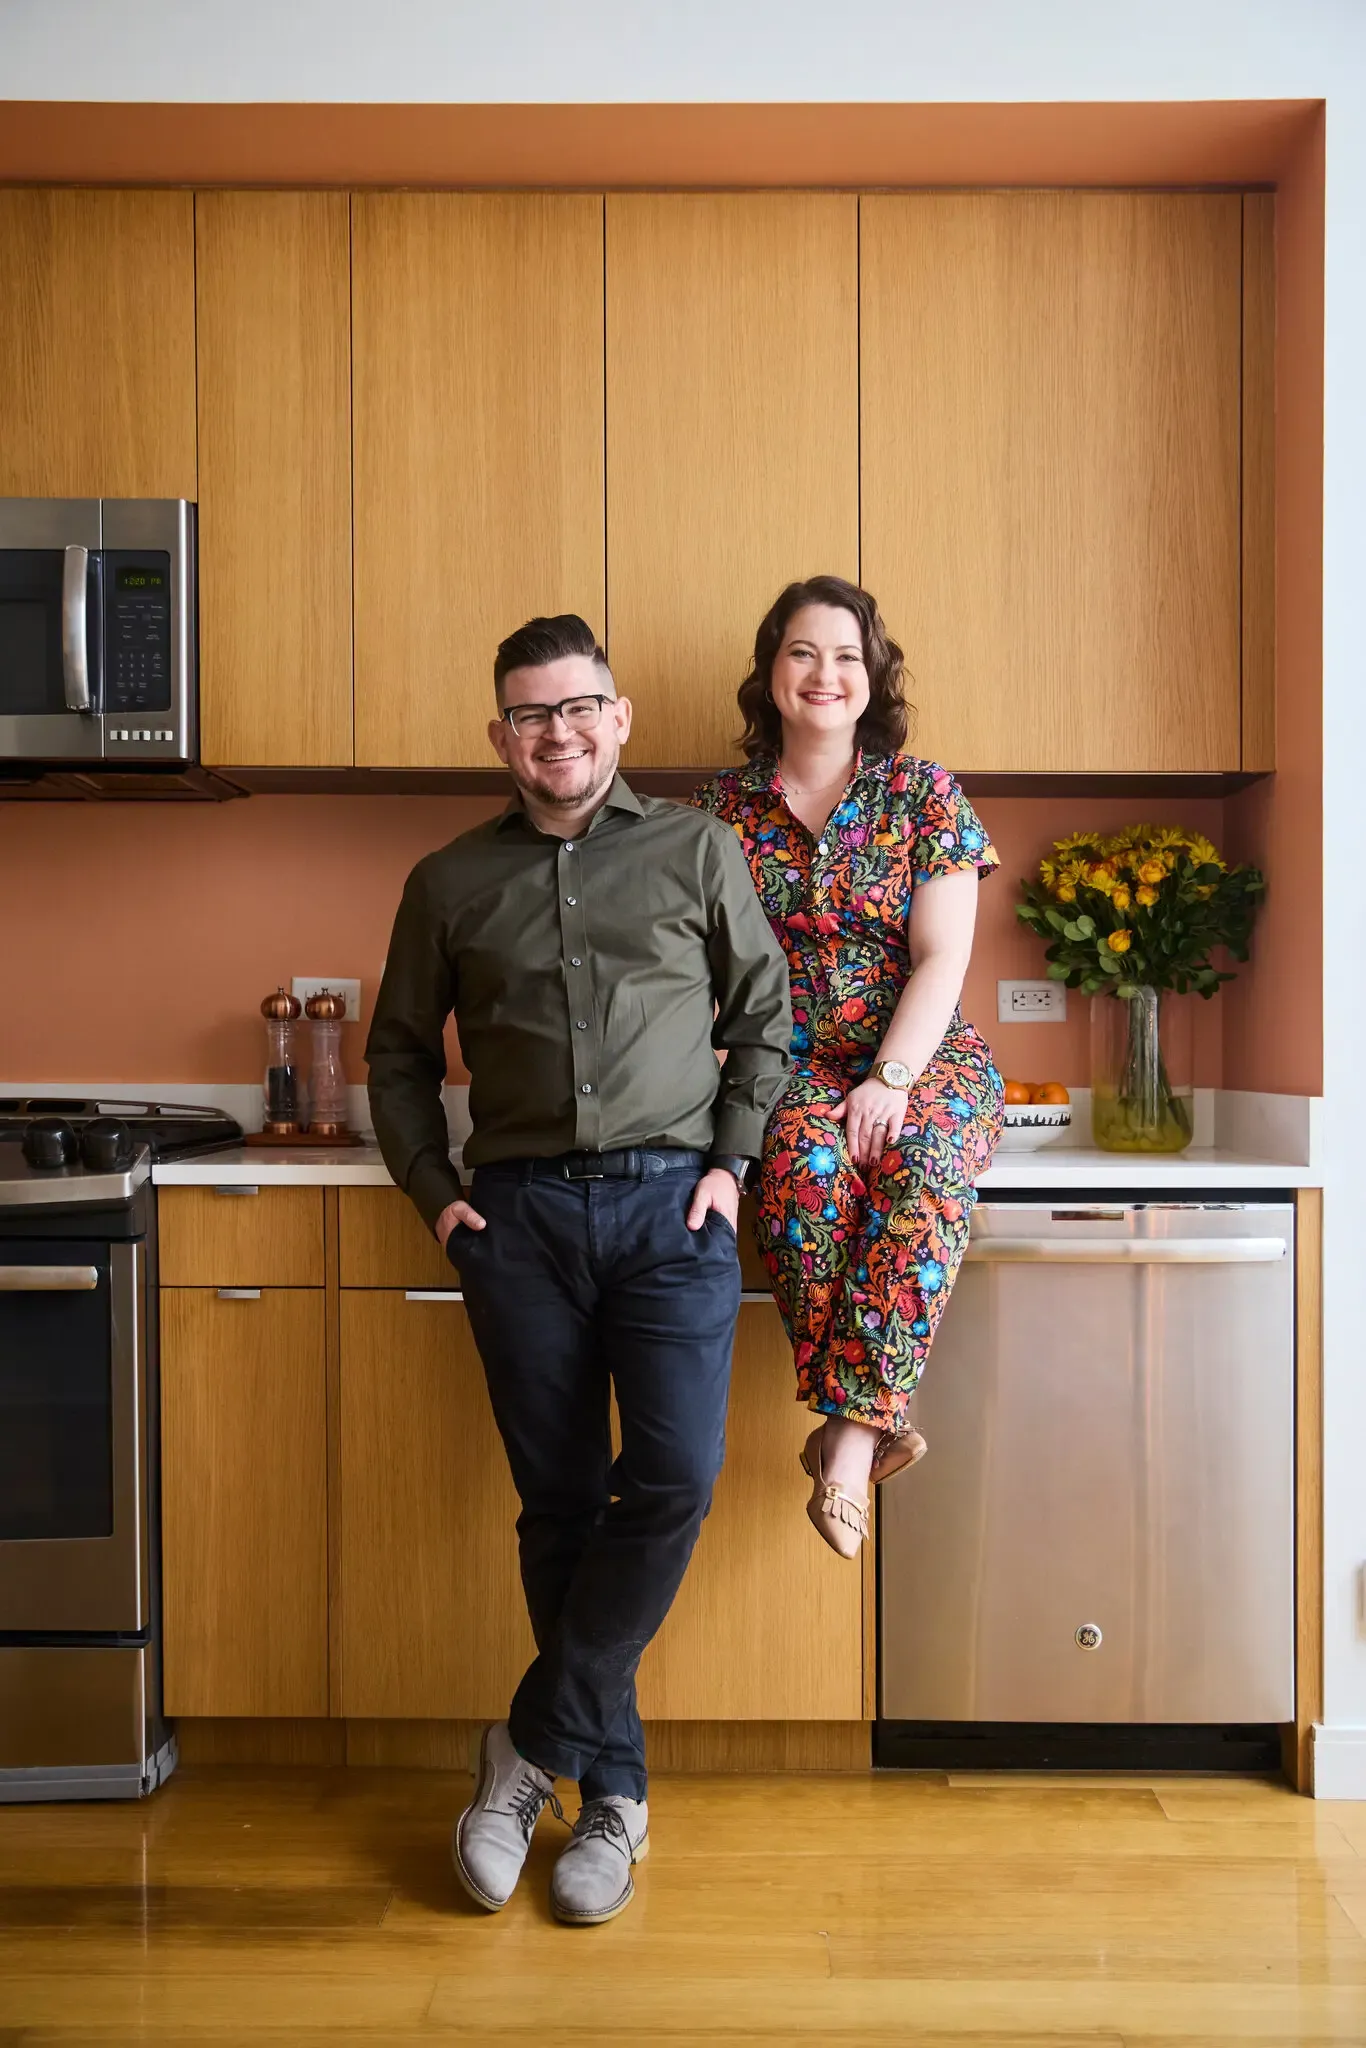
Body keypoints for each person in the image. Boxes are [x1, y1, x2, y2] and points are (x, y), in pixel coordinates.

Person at [365, 613, 791, 1926]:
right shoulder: (447, 881)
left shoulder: (694, 849)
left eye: (578, 708)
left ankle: (525, 1748)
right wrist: (437, 1199)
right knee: (557, 1504)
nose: (557, 732)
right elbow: (393, 1053)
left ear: (616, 719)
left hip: (673, 1212)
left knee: (670, 1480)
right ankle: (613, 1803)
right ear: (501, 736)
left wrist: (728, 1169)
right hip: (519, 1223)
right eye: (529, 715)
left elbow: (765, 1016)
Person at [694, 575, 1003, 1561]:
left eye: (843, 653)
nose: (823, 673)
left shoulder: (924, 792)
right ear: (769, 671)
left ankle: (845, 1443)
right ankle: (869, 1425)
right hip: (783, 1059)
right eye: (801, 652)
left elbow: (943, 955)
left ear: (871, 674)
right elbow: (692, 959)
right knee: (795, 1170)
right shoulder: (716, 814)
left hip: (924, 1055)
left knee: (920, 1168)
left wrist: (893, 1079)